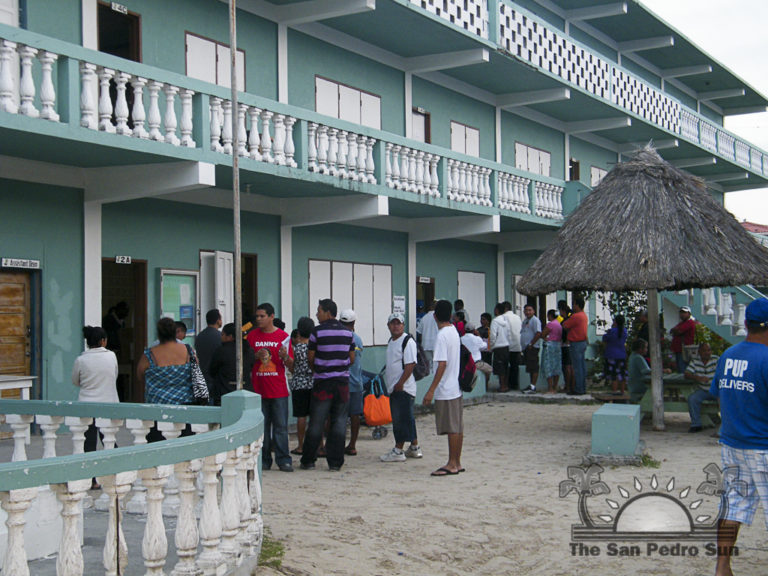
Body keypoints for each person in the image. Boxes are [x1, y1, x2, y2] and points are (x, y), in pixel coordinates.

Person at [710, 297, 768, 576]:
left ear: (746, 324)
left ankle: (722, 567)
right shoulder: (766, 359)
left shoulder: (728, 355)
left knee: (732, 506)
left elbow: (719, 396)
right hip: (763, 445)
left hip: (732, 443)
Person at [300, 299, 355, 472]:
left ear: (328, 312)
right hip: (342, 383)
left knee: (317, 421)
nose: (317, 314)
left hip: (322, 382)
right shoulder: (348, 333)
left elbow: (310, 357)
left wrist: (318, 369)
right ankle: (335, 462)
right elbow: (351, 358)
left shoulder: (317, 332)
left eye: (319, 311)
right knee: (339, 422)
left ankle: (308, 460)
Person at [246, 303, 294, 473]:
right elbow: (244, 361)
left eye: (262, 316)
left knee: (281, 427)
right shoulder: (252, 336)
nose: (259, 319)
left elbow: (292, 366)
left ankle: (284, 459)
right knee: (262, 428)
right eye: (257, 316)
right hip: (258, 389)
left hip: (278, 389)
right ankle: (264, 459)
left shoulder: (283, 337)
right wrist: (254, 356)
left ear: (271, 316)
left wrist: (285, 357)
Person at [72, 325, 120, 487]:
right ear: (103, 341)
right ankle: (116, 474)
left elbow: (75, 381)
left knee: (89, 443)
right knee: (109, 440)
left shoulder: (81, 360)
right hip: (108, 404)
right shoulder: (111, 356)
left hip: (87, 405)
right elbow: (114, 375)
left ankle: (92, 480)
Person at [137, 317, 199, 442]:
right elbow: (196, 373)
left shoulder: (150, 354)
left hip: (157, 410)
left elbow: (140, 375)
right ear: (175, 332)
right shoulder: (188, 351)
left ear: (159, 334)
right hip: (184, 408)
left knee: (157, 445)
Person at [422, 300, 463, 476]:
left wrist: (431, 390)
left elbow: (441, 364)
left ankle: (452, 463)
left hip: (446, 388)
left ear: (434, 316)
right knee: (457, 426)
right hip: (455, 386)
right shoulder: (453, 331)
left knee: (452, 427)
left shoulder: (441, 336)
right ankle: (456, 461)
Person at [381, 312, 422, 462]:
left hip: (403, 388)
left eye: (398, 323)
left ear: (403, 325)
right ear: (388, 326)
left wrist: (400, 383)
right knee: (407, 418)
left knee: (400, 420)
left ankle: (398, 450)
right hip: (395, 387)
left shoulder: (407, 341)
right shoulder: (392, 341)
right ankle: (414, 447)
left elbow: (410, 364)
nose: (396, 326)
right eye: (393, 323)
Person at [208, 322, 255, 406]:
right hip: (245, 391)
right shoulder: (249, 350)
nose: (221, 337)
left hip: (224, 392)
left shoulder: (221, 351)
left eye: (222, 335)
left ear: (230, 337)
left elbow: (212, 370)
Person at [288, 318, 315, 456]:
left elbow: (293, 367)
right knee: (316, 416)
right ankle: (319, 444)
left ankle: (300, 445)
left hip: (299, 383)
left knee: (301, 416)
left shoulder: (297, 348)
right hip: (313, 382)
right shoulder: (314, 348)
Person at [340, 309, 364, 457]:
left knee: (338, 415)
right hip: (355, 382)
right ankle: (352, 445)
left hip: (341, 382)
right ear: (354, 323)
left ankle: (336, 443)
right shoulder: (358, 339)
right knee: (355, 415)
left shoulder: (338, 338)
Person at [685, 342, 720, 433]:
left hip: (717, 390)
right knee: (692, 399)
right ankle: (696, 424)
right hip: (703, 390)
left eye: (709, 350)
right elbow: (687, 374)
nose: (707, 353)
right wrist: (698, 378)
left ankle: (726, 425)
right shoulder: (695, 361)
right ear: (699, 352)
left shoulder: (716, 359)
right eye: (704, 351)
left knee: (724, 399)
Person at [562, 296, 588, 395]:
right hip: (582, 342)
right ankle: (582, 387)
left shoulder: (576, 316)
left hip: (576, 342)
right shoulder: (583, 315)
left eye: (574, 304)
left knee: (577, 367)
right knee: (581, 366)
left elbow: (564, 325)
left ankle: (578, 388)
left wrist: (564, 316)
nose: (573, 306)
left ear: (577, 305)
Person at [195, 309, 223, 391]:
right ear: (218, 320)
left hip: (203, 376)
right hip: (216, 377)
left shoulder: (200, 336)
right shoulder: (221, 337)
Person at [602, 314, 628, 395]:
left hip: (611, 355)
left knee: (614, 375)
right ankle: (622, 391)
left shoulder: (612, 331)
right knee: (622, 374)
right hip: (622, 354)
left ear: (615, 322)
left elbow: (605, 338)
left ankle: (614, 392)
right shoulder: (624, 331)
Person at [461, 322, 492, 387]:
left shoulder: (461, 339)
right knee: (490, 369)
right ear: (474, 330)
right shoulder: (477, 339)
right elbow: (485, 346)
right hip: (477, 363)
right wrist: (479, 335)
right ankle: (486, 385)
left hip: (465, 363)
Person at [520, 304, 542, 394]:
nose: (528, 312)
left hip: (532, 347)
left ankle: (533, 386)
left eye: (530, 310)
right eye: (526, 310)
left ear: (533, 311)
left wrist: (531, 344)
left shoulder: (535, 320)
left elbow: (538, 333)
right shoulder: (525, 321)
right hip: (526, 348)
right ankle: (530, 385)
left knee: (534, 367)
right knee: (530, 367)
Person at [490, 303, 511, 393]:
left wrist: (491, 345)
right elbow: (509, 333)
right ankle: (505, 385)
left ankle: (502, 386)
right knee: (505, 366)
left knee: (500, 367)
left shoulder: (495, 321)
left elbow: (493, 335)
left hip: (498, 347)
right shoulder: (506, 321)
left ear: (497, 310)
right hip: (506, 346)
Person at [540, 310, 563, 394]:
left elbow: (543, 334)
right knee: (556, 366)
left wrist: (545, 338)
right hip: (558, 345)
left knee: (548, 365)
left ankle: (550, 387)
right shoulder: (559, 324)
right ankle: (555, 386)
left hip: (550, 346)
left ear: (550, 315)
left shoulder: (550, 324)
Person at [670, 305, 696, 373]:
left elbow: (679, 331)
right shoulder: (681, 323)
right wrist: (675, 330)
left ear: (689, 314)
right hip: (678, 350)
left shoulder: (690, 322)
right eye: (681, 312)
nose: (682, 314)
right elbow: (672, 331)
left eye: (684, 312)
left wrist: (676, 330)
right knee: (679, 369)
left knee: (683, 370)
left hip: (685, 350)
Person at [503, 302, 522, 390]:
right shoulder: (517, 317)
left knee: (505, 365)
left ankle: (506, 384)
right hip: (517, 344)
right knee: (515, 365)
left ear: (505, 308)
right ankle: (515, 384)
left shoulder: (504, 317)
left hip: (507, 345)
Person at [557, 300, 575, 394]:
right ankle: (571, 386)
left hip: (566, 344)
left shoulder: (567, 320)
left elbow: (567, 330)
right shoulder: (570, 318)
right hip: (568, 344)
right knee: (570, 366)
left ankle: (568, 386)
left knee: (567, 366)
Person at [627, 338, 652, 403]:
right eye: (646, 348)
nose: (647, 350)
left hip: (632, 386)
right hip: (639, 386)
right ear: (640, 349)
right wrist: (662, 371)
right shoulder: (638, 358)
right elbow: (646, 371)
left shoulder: (632, 356)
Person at [416, 301, 439, 370]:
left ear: (430, 307)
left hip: (426, 345)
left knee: (428, 367)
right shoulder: (439, 318)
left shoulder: (424, 318)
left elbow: (419, 332)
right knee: (437, 367)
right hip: (436, 345)